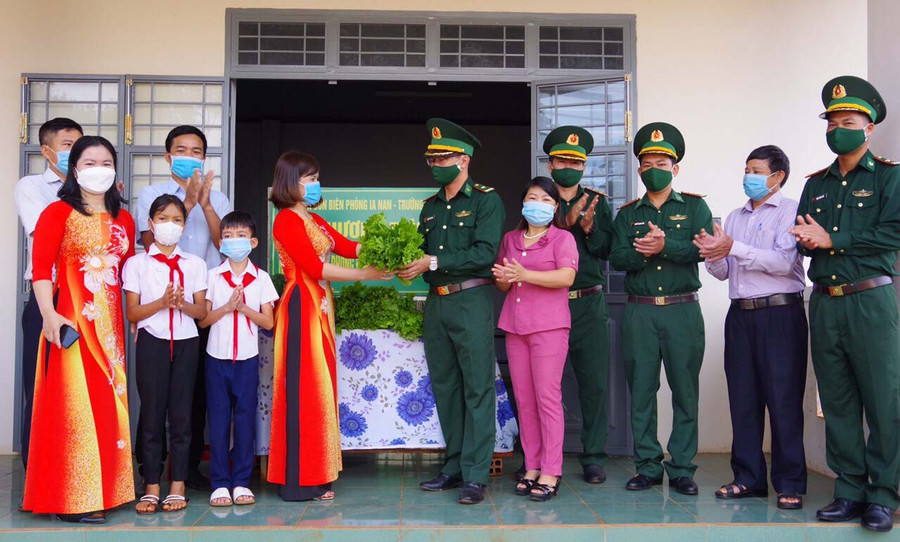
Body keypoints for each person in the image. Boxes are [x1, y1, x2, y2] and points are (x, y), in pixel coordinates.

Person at [789, 75, 900, 532]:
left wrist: (832, 239)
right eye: (832, 121)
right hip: (826, 301)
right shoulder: (817, 183)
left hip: (871, 299)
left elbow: (892, 233)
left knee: (883, 400)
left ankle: (884, 494)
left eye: (848, 120)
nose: (839, 128)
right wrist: (806, 240)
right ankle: (849, 488)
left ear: (869, 127)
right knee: (836, 401)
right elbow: (802, 236)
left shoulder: (890, 176)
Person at [21, 135, 135, 523]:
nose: (99, 168)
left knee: (109, 404)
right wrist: (50, 317)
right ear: (74, 169)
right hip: (72, 320)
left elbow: (129, 273)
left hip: (112, 329)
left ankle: (107, 489)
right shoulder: (57, 213)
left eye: (106, 161)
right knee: (73, 404)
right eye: (89, 162)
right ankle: (73, 496)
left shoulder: (125, 219)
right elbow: (40, 271)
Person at [266, 151, 388, 501]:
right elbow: (313, 268)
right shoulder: (287, 220)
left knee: (321, 389)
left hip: (320, 305)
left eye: (318, 176)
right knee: (305, 389)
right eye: (310, 178)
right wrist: (364, 275)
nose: (317, 184)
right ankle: (298, 479)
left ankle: (317, 472)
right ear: (290, 181)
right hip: (302, 304)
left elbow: (351, 247)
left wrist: (388, 252)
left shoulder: (314, 221)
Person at [398, 118, 505, 505]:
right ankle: (454, 465)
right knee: (445, 387)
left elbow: (484, 254)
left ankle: (476, 474)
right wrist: (411, 262)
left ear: (464, 160)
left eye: (443, 157)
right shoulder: (429, 207)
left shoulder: (485, 200)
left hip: (471, 300)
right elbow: (422, 255)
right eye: (432, 158)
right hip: (437, 303)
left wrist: (432, 261)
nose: (436, 164)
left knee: (477, 387)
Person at [695, 145, 808, 509]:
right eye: (747, 169)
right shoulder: (734, 216)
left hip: (780, 315)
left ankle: (790, 481)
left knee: (783, 399)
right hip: (740, 315)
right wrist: (712, 254)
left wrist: (733, 248)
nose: (750, 177)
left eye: (757, 170)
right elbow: (726, 270)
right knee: (742, 398)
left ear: (778, 177)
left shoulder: (791, 211)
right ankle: (748, 477)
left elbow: (782, 262)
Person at [609, 122, 712, 496]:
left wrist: (664, 245)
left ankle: (682, 467)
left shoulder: (696, 207)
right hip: (640, 312)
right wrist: (643, 251)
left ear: (675, 167)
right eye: (648, 163)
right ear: (639, 169)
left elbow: (702, 250)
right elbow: (616, 256)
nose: (654, 168)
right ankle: (648, 466)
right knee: (642, 391)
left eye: (662, 162)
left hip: (683, 311)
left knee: (685, 391)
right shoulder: (626, 215)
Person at [136, 125, 232, 491]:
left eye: (196, 151)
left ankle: (186, 469)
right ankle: (150, 471)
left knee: (194, 394)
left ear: (204, 159)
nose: (189, 156)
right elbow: (149, 243)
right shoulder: (151, 194)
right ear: (167, 156)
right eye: (181, 149)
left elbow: (226, 245)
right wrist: (186, 205)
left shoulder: (218, 198)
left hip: (200, 305)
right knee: (156, 394)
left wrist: (204, 204)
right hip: (158, 309)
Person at [493, 176, 578, 502]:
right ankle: (532, 465)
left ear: (555, 206)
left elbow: (566, 277)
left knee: (547, 399)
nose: (538, 205)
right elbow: (503, 283)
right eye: (532, 197)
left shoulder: (562, 239)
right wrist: (503, 278)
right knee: (525, 401)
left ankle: (551, 470)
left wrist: (525, 274)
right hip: (516, 327)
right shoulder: (511, 239)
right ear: (523, 203)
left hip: (549, 328)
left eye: (545, 199)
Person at [124, 194, 208, 514]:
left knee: (182, 415)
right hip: (152, 341)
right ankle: (151, 485)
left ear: (184, 226)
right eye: (162, 218)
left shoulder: (195, 264)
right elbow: (132, 313)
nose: (169, 225)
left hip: (186, 341)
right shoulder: (137, 264)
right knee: (152, 414)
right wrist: (161, 302)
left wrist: (180, 303)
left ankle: (178, 484)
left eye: (176, 220)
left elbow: (201, 312)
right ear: (150, 224)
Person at [542, 125, 614, 484]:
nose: (567, 166)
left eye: (575, 161)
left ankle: (594, 456)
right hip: (548, 302)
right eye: (561, 160)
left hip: (588, 303)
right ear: (550, 164)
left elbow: (608, 251)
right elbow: (530, 242)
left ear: (584, 167)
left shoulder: (598, 202)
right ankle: (541, 456)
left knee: (594, 382)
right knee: (544, 383)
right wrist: (564, 225)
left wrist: (589, 230)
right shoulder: (539, 200)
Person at [14, 117, 83, 471]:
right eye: (68, 145)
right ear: (47, 150)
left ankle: (71, 470)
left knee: (76, 391)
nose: (76, 153)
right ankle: (35, 474)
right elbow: (47, 234)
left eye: (79, 145)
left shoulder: (93, 191)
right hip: (47, 299)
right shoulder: (31, 186)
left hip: (85, 301)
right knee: (40, 387)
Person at [199, 211, 278, 507]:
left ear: (254, 241)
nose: (235, 241)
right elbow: (204, 320)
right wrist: (226, 308)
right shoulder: (213, 276)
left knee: (245, 420)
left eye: (241, 236)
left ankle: (241, 481)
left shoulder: (261, 279)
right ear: (220, 243)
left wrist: (243, 308)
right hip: (216, 359)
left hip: (246, 359)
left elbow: (268, 322)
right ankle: (220, 483)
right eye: (229, 237)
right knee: (218, 420)